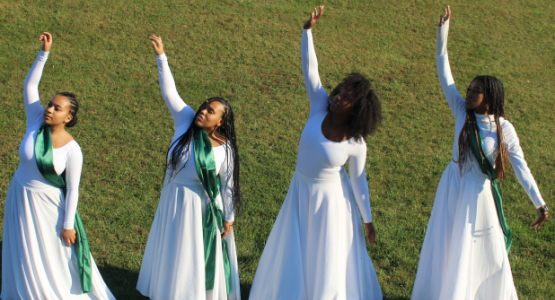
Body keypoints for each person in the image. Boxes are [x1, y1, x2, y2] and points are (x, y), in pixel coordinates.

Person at [411, 6, 549, 299]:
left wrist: (540, 205)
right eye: (470, 88)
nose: (469, 92)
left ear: (491, 97)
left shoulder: (504, 129)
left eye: (476, 90)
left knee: (480, 249)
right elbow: (442, 68)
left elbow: (521, 167)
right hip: (452, 185)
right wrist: (443, 30)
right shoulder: (462, 110)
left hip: (478, 194)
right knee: (446, 242)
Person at [249, 6, 383, 299]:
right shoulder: (318, 106)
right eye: (339, 92)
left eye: (346, 98)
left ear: (357, 108)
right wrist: (307, 31)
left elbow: (359, 181)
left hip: (331, 201)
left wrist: (368, 219)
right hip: (300, 191)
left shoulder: (356, 144)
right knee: (296, 248)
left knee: (326, 253)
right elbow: (311, 70)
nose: (337, 98)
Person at [1, 32, 115, 300]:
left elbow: (73, 190)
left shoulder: (73, 150)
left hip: (48, 206)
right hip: (19, 194)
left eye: (57, 107)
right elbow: (30, 87)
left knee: (50, 253)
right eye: (50, 104)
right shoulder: (35, 122)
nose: (50, 109)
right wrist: (44, 53)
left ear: (69, 116)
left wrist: (68, 224)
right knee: (21, 248)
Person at [136, 35, 242, 300]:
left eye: (211, 111)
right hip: (172, 200)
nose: (203, 111)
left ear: (220, 122)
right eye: (205, 106)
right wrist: (162, 57)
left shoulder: (225, 149)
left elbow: (228, 184)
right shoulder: (185, 122)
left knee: (192, 256)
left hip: (200, 209)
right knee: (172, 251)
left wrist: (229, 216)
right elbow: (169, 92)